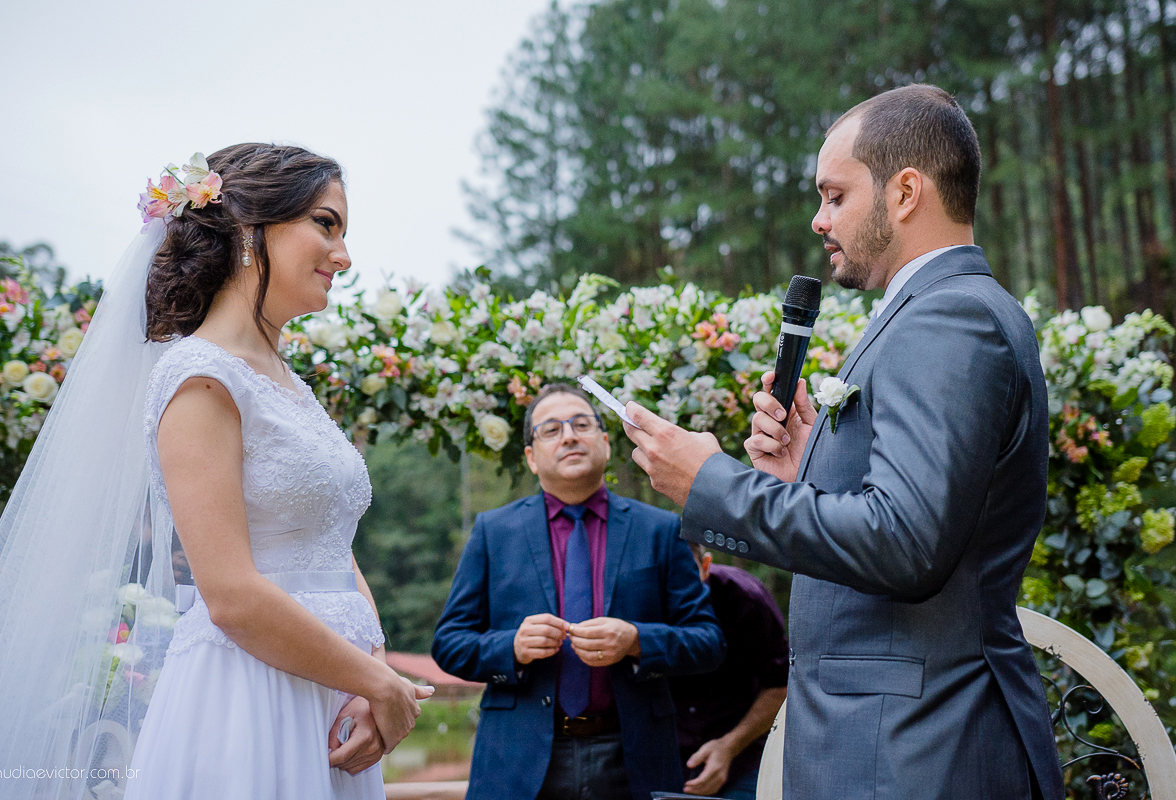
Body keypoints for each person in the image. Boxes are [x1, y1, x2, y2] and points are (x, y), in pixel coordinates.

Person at [622, 85, 1064, 799]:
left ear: (905, 191)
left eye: (834, 196)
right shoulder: (930, 312)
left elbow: (906, 544)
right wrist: (805, 477)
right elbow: (913, 517)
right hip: (884, 745)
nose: (819, 219)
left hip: (919, 751)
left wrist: (714, 482)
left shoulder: (949, 317)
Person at [0, 144, 430, 800]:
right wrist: (379, 683)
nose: (344, 255)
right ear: (251, 231)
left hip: (334, 697)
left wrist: (372, 672)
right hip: (250, 697)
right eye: (325, 225)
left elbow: (331, 546)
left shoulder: (287, 384)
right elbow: (232, 596)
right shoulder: (199, 378)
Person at [432, 383, 725, 800]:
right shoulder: (493, 532)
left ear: (605, 443)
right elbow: (449, 644)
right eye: (550, 430)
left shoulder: (660, 529)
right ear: (532, 458)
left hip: (633, 754)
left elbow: (708, 642)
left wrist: (638, 641)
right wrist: (510, 646)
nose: (569, 436)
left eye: (581, 424)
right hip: (517, 758)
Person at [668, 543, 788, 799]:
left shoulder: (746, 596)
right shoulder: (633, 602)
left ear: (706, 565)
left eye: (685, 575)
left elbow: (781, 684)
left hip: (742, 757)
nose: (676, 588)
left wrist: (729, 746)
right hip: (660, 761)